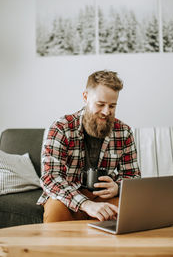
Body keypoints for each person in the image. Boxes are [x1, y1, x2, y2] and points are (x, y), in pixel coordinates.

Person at [37, 70, 140, 222]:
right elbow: (50, 178)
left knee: (130, 209)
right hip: (67, 198)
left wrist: (118, 187)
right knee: (55, 211)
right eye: (100, 104)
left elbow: (133, 177)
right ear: (85, 97)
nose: (106, 112)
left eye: (112, 106)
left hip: (103, 198)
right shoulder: (61, 128)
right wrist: (85, 204)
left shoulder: (124, 132)